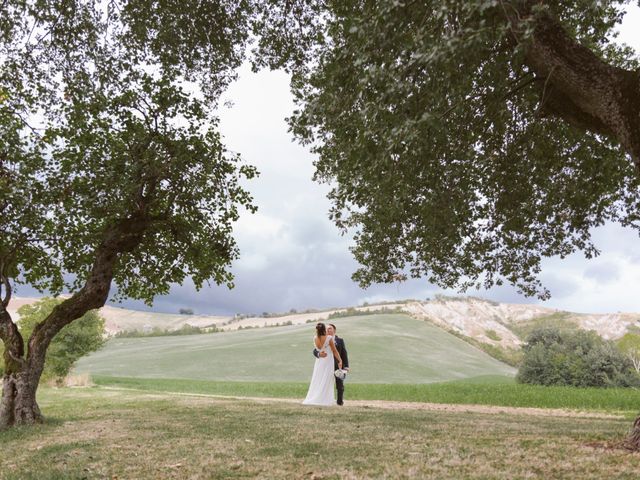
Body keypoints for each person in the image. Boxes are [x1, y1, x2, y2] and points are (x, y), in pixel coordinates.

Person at [302, 322, 342, 406]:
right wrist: (340, 360)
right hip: (328, 361)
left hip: (319, 362)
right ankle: (325, 399)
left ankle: (315, 397)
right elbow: (334, 351)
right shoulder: (329, 338)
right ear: (324, 329)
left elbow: (317, 350)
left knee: (318, 379)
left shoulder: (315, 338)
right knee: (327, 380)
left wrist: (320, 354)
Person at [314, 323, 349, 405]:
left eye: (330, 328)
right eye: (327, 328)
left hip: (337, 366)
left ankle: (339, 402)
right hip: (325, 365)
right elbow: (315, 350)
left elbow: (344, 353)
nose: (328, 330)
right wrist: (319, 354)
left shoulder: (340, 340)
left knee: (339, 384)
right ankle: (323, 398)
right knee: (324, 382)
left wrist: (346, 366)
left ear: (334, 330)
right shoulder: (322, 338)